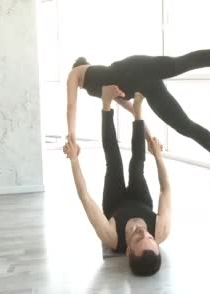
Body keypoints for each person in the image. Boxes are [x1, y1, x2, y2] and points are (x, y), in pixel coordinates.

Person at [66, 47, 210, 196]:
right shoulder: (97, 90)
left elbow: (71, 106)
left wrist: (72, 137)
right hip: (145, 88)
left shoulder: (77, 72)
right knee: (185, 126)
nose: (79, 87)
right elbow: (130, 108)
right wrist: (148, 137)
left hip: (137, 67)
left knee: (184, 62)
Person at [63, 85, 171, 276]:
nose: (142, 231)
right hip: (141, 200)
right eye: (149, 236)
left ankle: (106, 103)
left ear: (128, 251)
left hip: (114, 202)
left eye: (138, 238)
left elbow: (85, 197)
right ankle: (137, 109)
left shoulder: (112, 237)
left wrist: (74, 159)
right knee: (137, 165)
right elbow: (165, 190)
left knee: (114, 162)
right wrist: (158, 156)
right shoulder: (162, 230)